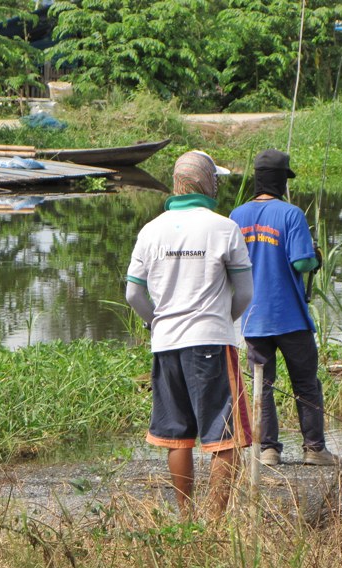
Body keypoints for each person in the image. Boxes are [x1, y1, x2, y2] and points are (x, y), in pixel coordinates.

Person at [126, 150, 254, 519]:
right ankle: (214, 520)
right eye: (216, 178)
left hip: (166, 344)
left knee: (176, 433)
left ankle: (186, 517)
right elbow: (245, 291)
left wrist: (156, 322)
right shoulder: (223, 227)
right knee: (224, 434)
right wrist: (221, 320)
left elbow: (133, 293)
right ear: (206, 182)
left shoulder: (151, 230)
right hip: (212, 341)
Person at [228, 149, 337, 467]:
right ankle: (314, 450)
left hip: (252, 319)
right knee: (305, 383)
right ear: (281, 182)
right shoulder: (291, 215)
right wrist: (316, 257)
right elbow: (301, 261)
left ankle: (268, 450)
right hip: (290, 317)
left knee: (263, 385)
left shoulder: (237, 216)